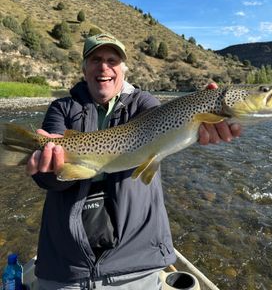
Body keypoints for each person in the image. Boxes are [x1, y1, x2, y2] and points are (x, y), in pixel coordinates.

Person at [27, 33, 241, 290]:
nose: (104, 67)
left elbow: (164, 119)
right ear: (84, 69)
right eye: (96, 59)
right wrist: (50, 169)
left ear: (123, 70)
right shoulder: (61, 108)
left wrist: (201, 109)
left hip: (134, 263)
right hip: (66, 267)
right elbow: (46, 180)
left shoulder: (144, 103)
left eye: (112, 60)